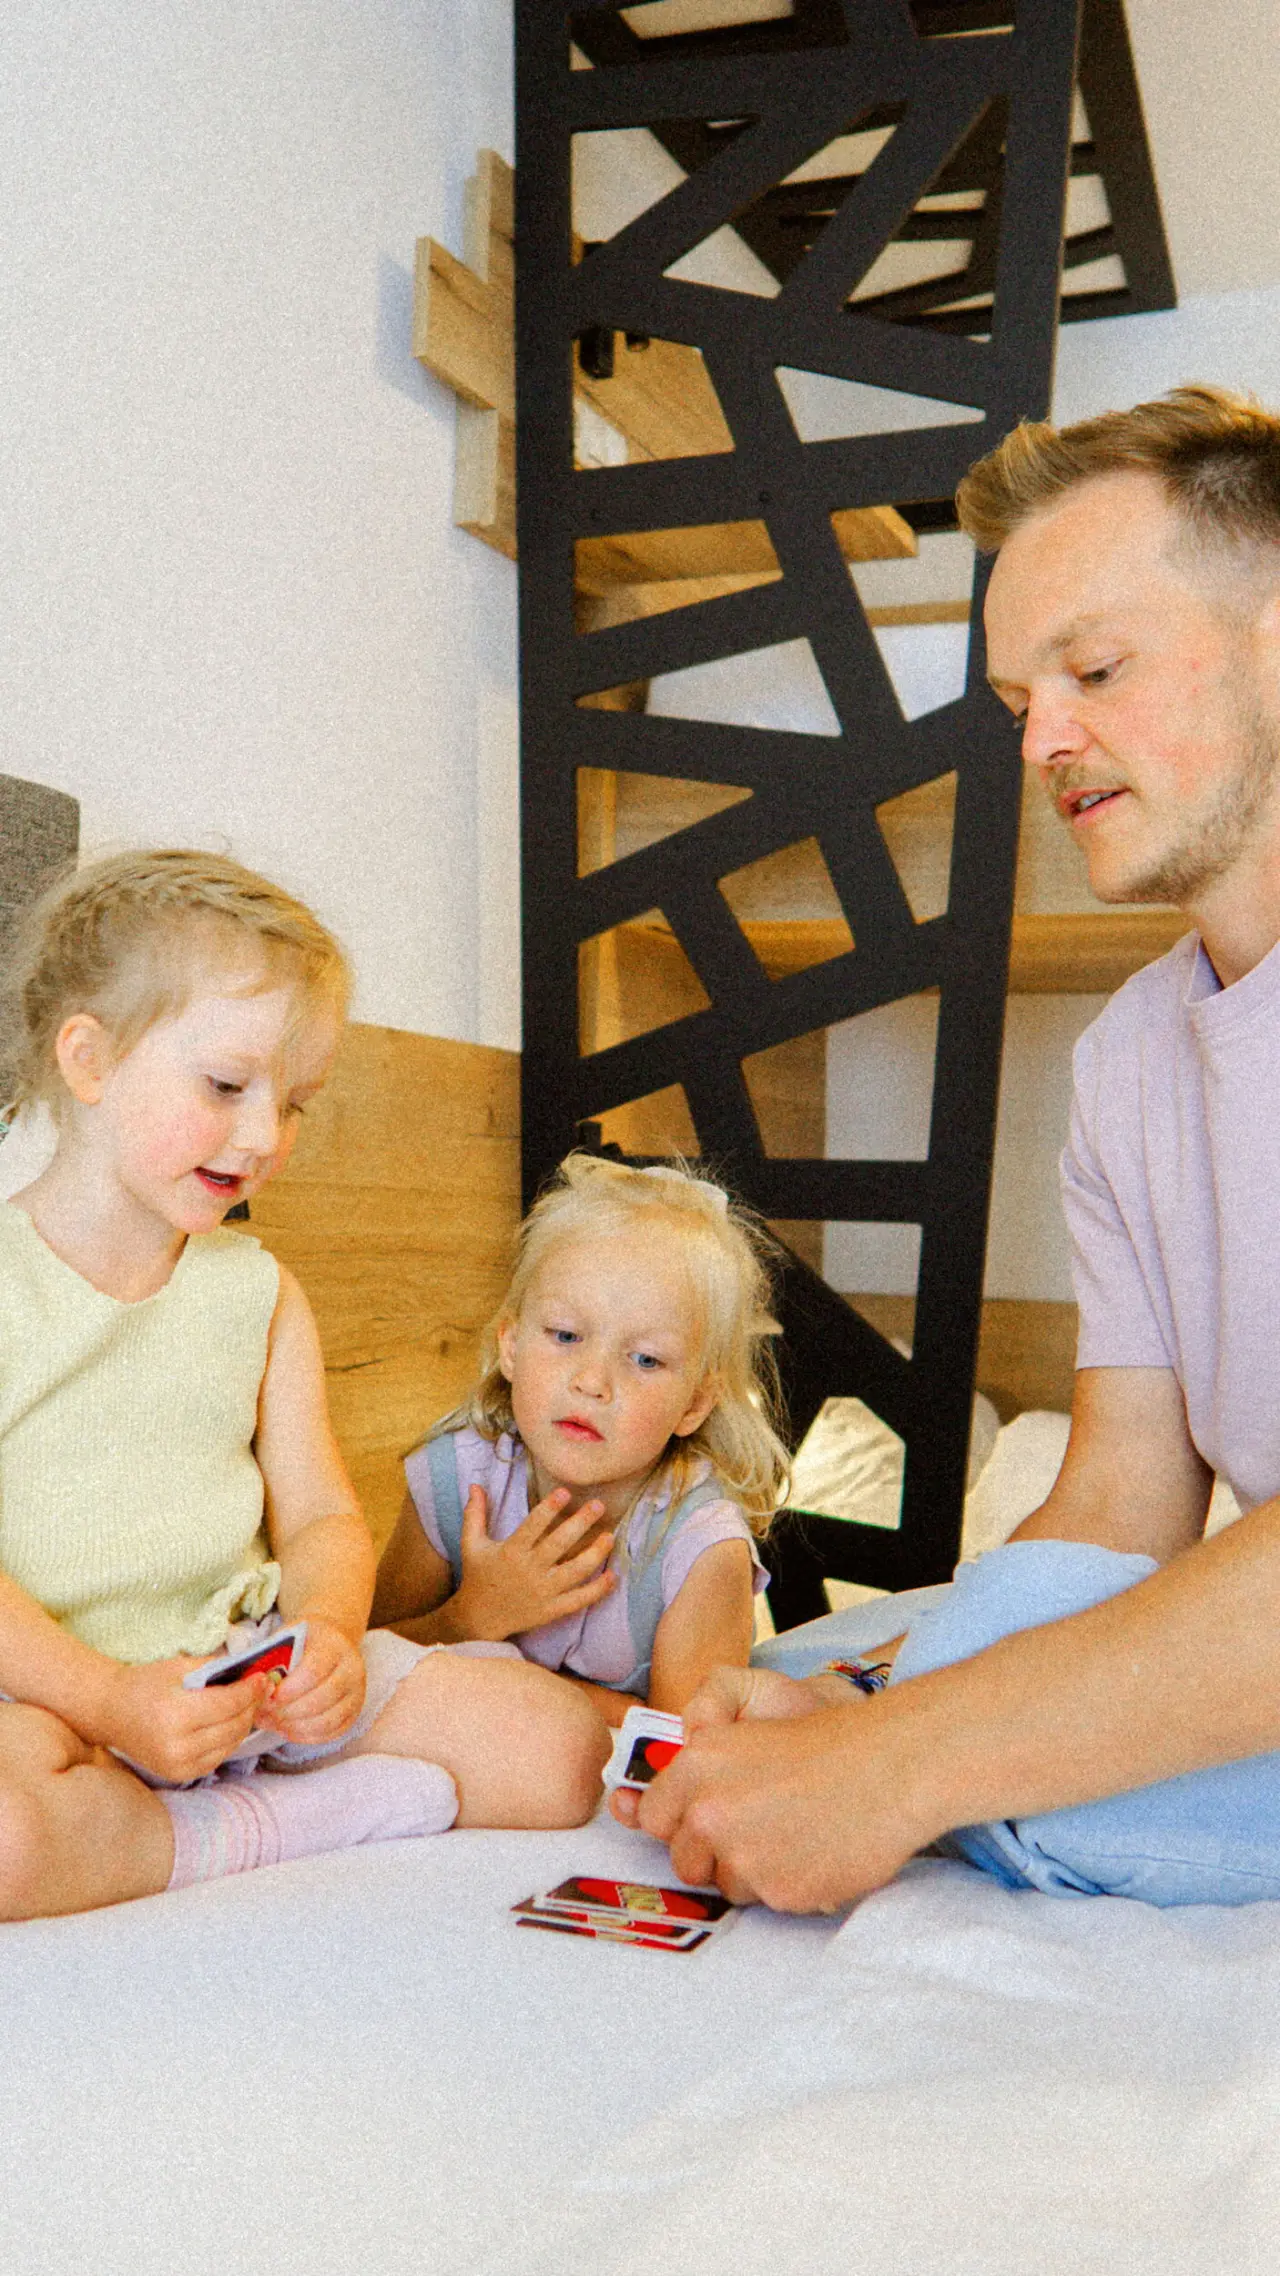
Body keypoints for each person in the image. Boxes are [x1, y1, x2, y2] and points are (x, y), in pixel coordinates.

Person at [615, 384, 1280, 1911]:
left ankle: (992, 1797)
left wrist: (903, 1764)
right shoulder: (1129, 1063)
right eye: (1015, 702)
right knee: (847, 1649)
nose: (1043, 739)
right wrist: (877, 1706)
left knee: (898, 1708)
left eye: (1096, 667)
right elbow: (1124, 1498)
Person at [0, 849, 607, 1919]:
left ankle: (233, 1797)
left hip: (246, 1676)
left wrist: (326, 1631)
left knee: (559, 1749)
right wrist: (106, 1696)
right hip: (55, 1700)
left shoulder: (259, 1291)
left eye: (296, 1104)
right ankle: (260, 1830)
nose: (263, 1136)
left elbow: (323, 1510)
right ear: (87, 1060)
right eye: (227, 1086)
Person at [372, 1153, 788, 1727]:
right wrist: (469, 1621)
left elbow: (686, 1746)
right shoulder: (455, 1477)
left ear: (694, 1403)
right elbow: (365, 1659)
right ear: (512, 1345)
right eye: (565, 1335)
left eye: (645, 1359)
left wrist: (513, 1683)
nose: (592, 1382)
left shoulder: (701, 1546)